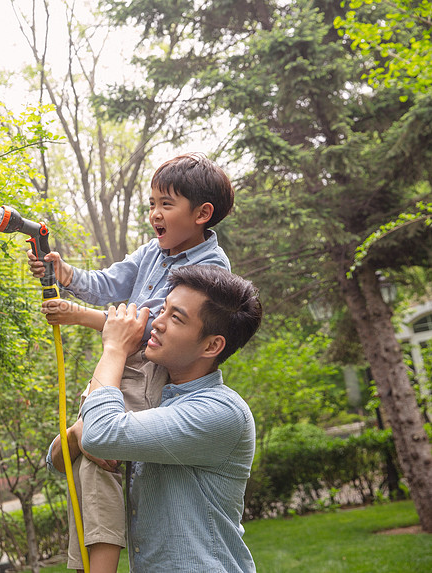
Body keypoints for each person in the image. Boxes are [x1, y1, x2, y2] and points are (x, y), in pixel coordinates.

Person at [30, 153, 235, 572]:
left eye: (166, 204)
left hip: (152, 372)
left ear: (202, 214)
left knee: (98, 449)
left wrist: (80, 316)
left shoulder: (209, 268)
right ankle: (86, 564)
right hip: (122, 364)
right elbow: (111, 282)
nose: (154, 214)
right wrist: (67, 274)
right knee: (85, 460)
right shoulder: (153, 252)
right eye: (152, 203)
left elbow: (156, 329)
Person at [51, 265, 262, 572]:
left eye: (175, 318)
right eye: (163, 309)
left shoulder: (220, 412)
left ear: (212, 345)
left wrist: (114, 348)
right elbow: (57, 462)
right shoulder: (153, 396)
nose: (156, 323)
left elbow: (101, 435)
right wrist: (75, 435)